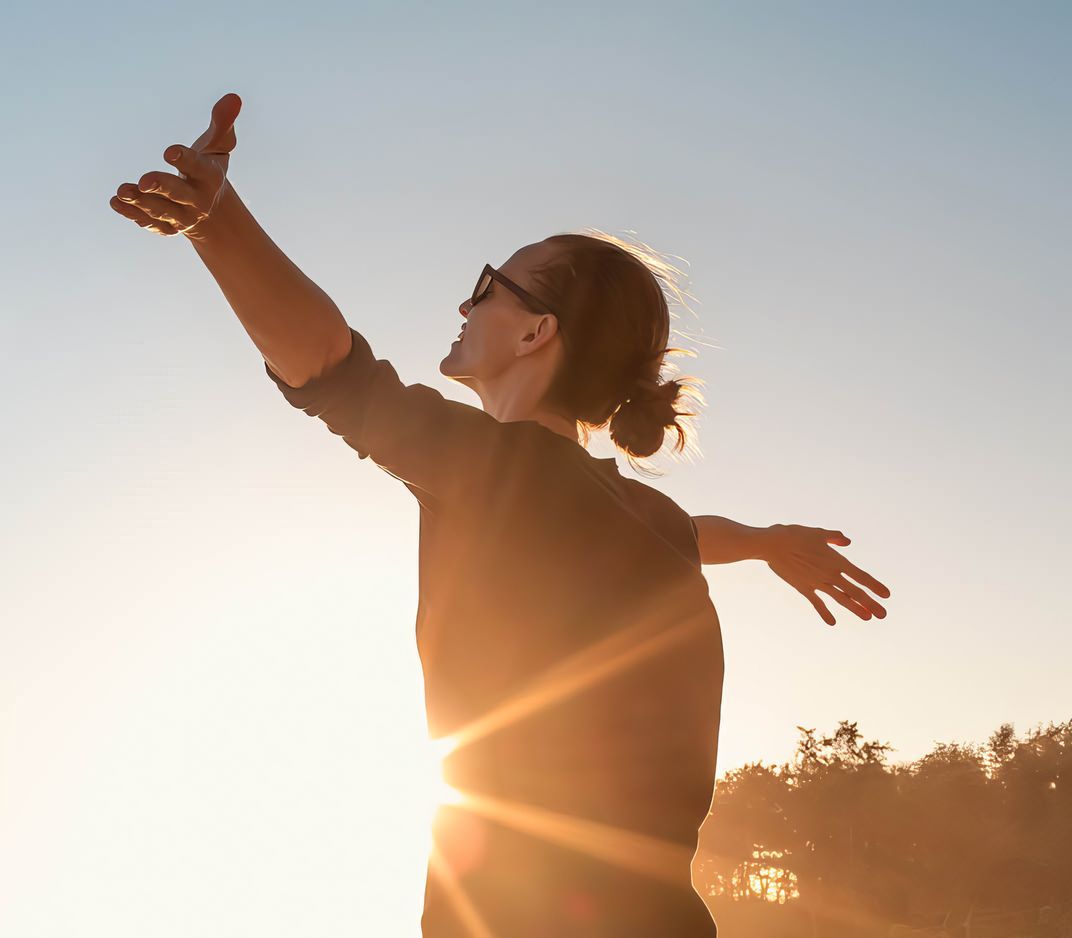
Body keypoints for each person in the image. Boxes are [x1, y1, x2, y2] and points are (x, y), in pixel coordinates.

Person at [107, 93, 892, 936]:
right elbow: (698, 538)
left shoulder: (496, 472)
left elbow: (331, 368)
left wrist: (216, 221)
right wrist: (768, 542)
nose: (464, 305)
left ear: (535, 334)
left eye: (488, 287)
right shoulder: (645, 518)